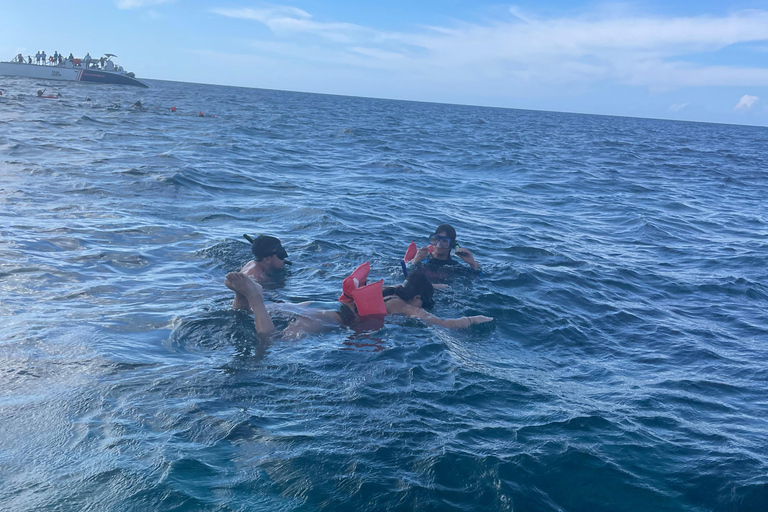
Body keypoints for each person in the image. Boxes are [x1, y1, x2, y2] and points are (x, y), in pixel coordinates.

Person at [224, 267, 492, 341]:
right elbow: (445, 324)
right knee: (273, 338)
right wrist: (474, 319)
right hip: (331, 318)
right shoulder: (405, 306)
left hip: (319, 303)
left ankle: (244, 297)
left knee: (252, 316)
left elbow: (417, 283)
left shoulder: (389, 290)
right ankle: (254, 297)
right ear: (418, 298)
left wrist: (435, 286)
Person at [231, 235, 289, 310]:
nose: (285, 257)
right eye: (281, 254)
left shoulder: (251, 262)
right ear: (268, 259)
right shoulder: (258, 277)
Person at [407, 223, 481, 281]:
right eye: (436, 239)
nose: (439, 244)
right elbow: (404, 274)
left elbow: (478, 277)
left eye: (444, 241)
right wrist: (414, 262)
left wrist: (473, 264)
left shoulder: (455, 267)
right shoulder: (421, 260)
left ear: (451, 245)